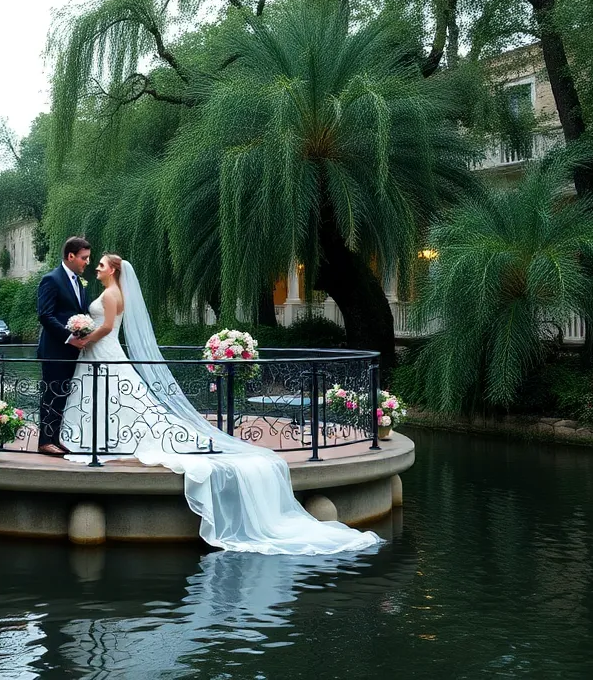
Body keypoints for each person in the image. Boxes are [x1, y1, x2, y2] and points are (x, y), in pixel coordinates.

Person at [60, 255, 382, 556]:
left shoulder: (113, 294)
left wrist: (85, 336)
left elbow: (106, 327)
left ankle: (108, 439)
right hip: (99, 353)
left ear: (114, 270)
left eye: (100, 264)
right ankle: (101, 438)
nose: (96, 268)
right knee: (111, 397)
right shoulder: (109, 291)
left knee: (122, 397)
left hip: (105, 349)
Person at [34, 236, 92, 456]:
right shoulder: (51, 279)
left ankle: (55, 438)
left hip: (71, 350)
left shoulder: (78, 282)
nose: (87, 262)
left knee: (63, 395)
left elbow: (77, 311)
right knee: (51, 394)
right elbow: (45, 315)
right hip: (55, 349)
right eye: (83, 258)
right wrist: (69, 337)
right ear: (70, 256)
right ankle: (44, 441)